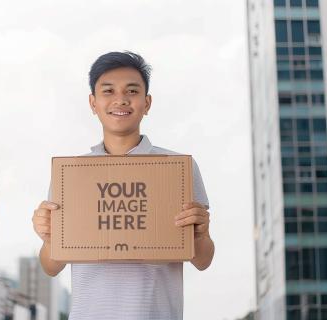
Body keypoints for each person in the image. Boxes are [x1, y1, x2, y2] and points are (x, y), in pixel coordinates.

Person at [32, 51, 215, 320]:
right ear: (93, 103)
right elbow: (51, 266)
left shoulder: (178, 168)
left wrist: (200, 235)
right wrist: (50, 238)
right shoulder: (71, 174)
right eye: (108, 91)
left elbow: (203, 260)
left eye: (132, 91)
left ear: (147, 102)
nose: (120, 99)